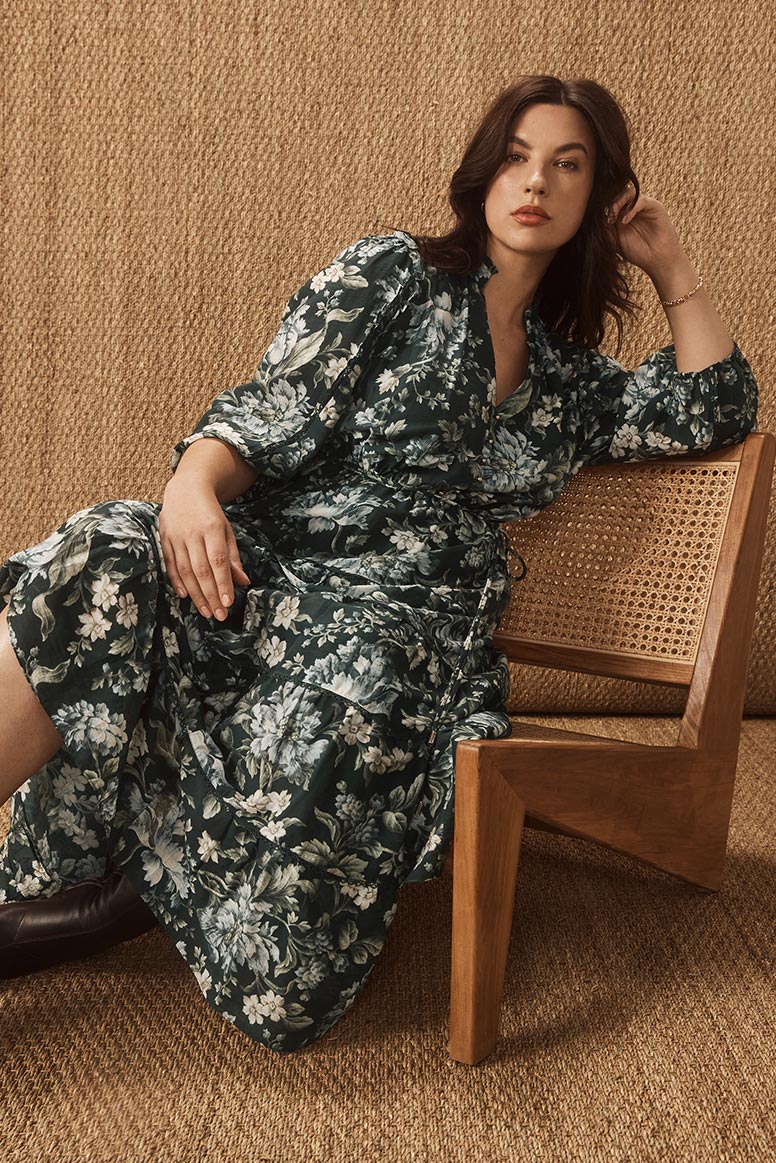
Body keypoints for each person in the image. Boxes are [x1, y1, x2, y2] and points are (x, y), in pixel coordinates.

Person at [0, 75, 759, 1054]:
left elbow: (711, 405)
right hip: (275, 569)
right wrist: (191, 484)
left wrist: (668, 266)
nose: (535, 181)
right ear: (482, 173)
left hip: (407, 639)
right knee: (111, 549)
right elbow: (274, 405)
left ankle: (130, 889)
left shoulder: (569, 381)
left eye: (567, 165)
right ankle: (106, 878)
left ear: (595, 199)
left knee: (297, 970)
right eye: (517, 155)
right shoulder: (391, 275)